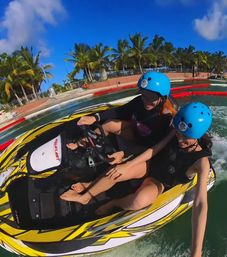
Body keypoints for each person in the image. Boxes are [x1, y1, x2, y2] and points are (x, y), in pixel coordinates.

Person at [61, 102, 213, 257]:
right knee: (117, 171)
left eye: (186, 137)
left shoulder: (201, 162)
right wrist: (127, 165)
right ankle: (86, 196)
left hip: (161, 182)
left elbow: (201, 203)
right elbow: (155, 150)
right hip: (151, 165)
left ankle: (114, 203)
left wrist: (196, 252)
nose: (180, 139)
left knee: (139, 201)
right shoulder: (176, 131)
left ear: (198, 136)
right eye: (179, 134)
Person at [67, 71, 177, 164]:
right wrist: (95, 117)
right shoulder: (139, 102)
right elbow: (120, 111)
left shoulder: (165, 118)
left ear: (162, 98)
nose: (146, 101)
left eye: (151, 97)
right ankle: (81, 143)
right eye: (143, 95)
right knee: (110, 123)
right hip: (135, 134)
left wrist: (125, 154)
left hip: (145, 147)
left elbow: (152, 145)